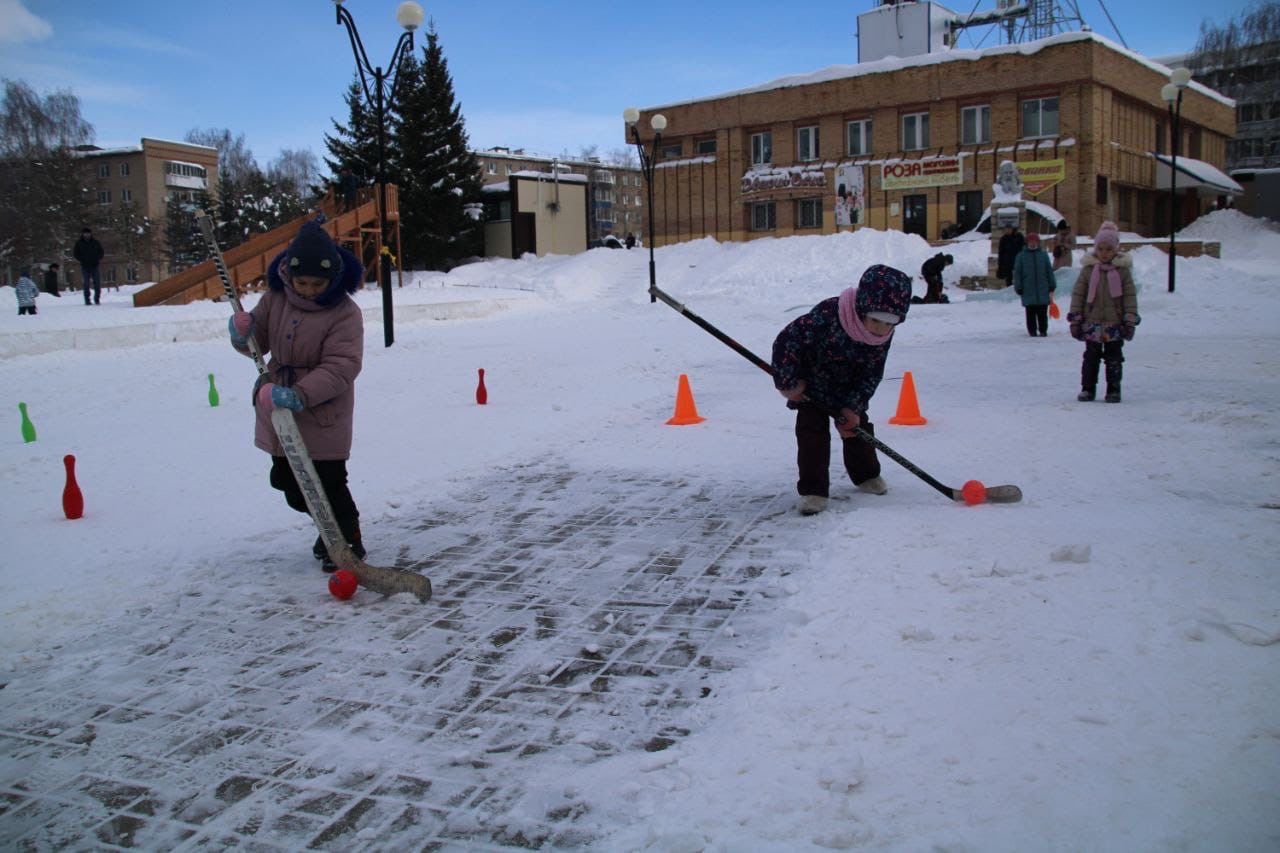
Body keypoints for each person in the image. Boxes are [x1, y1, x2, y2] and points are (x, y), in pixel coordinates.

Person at [228, 221, 368, 570]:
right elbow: (257, 344)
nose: (306, 291)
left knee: (329, 483)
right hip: (276, 406)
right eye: (301, 283)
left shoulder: (345, 313)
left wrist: (300, 394)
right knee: (288, 481)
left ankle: (346, 542)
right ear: (289, 275)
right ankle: (329, 528)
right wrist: (242, 332)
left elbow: (342, 365)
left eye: (316, 284)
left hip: (322, 412)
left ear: (333, 278)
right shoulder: (276, 299)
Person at [771, 264, 913, 516]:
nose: (880, 330)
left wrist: (855, 405)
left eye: (889, 324)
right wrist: (788, 382)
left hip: (848, 388)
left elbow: (872, 372)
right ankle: (813, 490)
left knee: (857, 430)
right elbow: (786, 341)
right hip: (811, 386)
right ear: (862, 308)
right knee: (812, 435)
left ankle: (866, 476)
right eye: (875, 320)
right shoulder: (827, 316)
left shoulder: (881, 336)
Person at [1068, 221, 1139, 403]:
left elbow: (1130, 297)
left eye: (1109, 249)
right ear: (1095, 249)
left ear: (1116, 249)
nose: (1104, 253)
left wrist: (1129, 320)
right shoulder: (1089, 271)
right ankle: (1088, 388)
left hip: (1114, 324)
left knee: (1114, 358)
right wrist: (1076, 319)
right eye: (1101, 249)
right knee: (1090, 358)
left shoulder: (1122, 272)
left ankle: (1113, 389)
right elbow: (1078, 294)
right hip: (1091, 323)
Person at [1013, 231, 1055, 337]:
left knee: (1042, 313)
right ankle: (1032, 331)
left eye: (1035, 241)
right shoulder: (1021, 256)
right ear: (1027, 243)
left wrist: (1052, 284)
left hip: (1042, 290)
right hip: (1028, 290)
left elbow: (1049, 271)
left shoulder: (1043, 255)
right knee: (1030, 312)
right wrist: (1018, 287)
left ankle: (1043, 330)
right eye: (1030, 241)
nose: (1033, 243)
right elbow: (1017, 273)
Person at [73, 227, 104, 305]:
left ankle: (97, 299)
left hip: (95, 265)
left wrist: (97, 258)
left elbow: (101, 252)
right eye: (85, 233)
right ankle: (87, 300)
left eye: (88, 233)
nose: (87, 235)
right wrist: (82, 259)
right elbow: (75, 254)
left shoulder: (95, 242)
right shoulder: (79, 243)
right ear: (83, 234)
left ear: (90, 234)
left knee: (97, 283)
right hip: (85, 266)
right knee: (86, 284)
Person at [996, 223, 1025, 290]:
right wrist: (1000, 267)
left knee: (1019, 277)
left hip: (1018, 260)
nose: (1008, 231)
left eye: (1009, 229)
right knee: (1009, 279)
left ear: (1012, 229)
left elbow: (1024, 247)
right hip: (1008, 262)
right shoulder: (1003, 239)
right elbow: (1001, 253)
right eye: (1006, 229)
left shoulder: (1018, 236)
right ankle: (1009, 291)